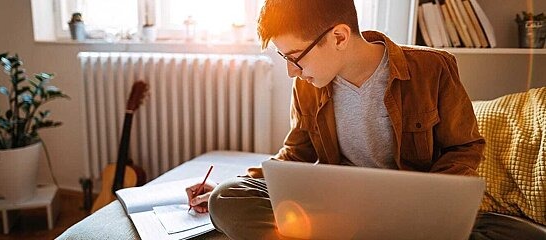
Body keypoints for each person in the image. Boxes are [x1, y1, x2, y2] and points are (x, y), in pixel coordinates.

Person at [186, 0, 545, 239]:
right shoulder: (309, 86)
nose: (290, 72)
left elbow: (465, 147)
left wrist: (431, 202)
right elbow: (294, 155)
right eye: (284, 58)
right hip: (336, 210)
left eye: (295, 57)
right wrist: (229, 182)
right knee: (227, 198)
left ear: (339, 36)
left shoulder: (433, 68)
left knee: (524, 235)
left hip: (414, 214)